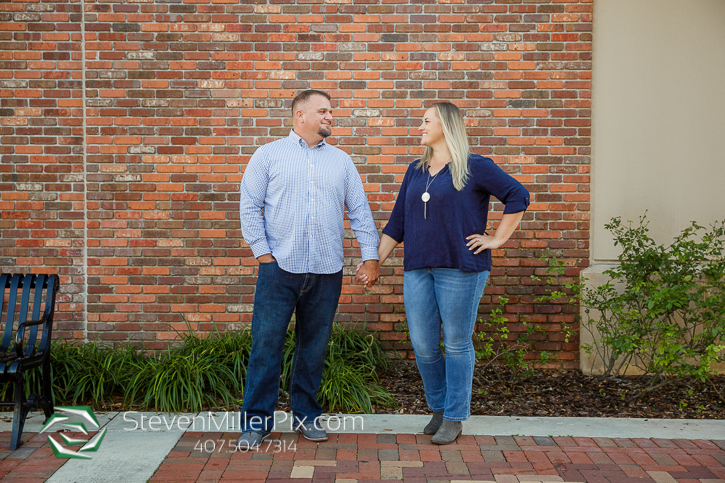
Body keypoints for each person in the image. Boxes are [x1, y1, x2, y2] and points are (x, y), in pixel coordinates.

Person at [357, 102, 530, 444]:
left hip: (461, 268)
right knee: (423, 345)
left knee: (456, 342)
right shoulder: (416, 170)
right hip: (419, 267)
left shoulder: (475, 167)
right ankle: (438, 407)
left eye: (426, 121)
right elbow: (398, 223)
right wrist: (374, 261)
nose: (420, 126)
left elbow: (518, 196)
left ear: (446, 125)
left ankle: (454, 416)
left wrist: (496, 239)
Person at [238, 89, 381, 448]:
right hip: (279, 270)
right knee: (266, 347)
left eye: (331, 111)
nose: (330, 117)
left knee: (313, 349)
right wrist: (264, 256)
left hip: (326, 271)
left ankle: (306, 416)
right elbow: (249, 207)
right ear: (300, 115)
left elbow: (360, 211)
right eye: (323, 111)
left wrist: (371, 256)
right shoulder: (268, 155)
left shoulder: (341, 161)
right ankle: (256, 423)